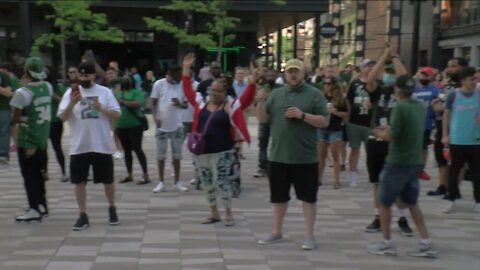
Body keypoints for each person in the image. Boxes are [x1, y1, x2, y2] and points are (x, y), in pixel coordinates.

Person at [256, 59, 329, 251]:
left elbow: (324, 121)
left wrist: (303, 115)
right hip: (278, 156)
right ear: (285, 75)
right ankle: (276, 232)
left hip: (305, 157)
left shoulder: (314, 94)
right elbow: (263, 119)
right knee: (278, 198)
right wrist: (260, 101)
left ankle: (309, 236)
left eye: (296, 71)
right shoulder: (277, 94)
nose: (293, 75)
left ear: (303, 74)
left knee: (308, 198)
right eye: (290, 72)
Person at [366, 74, 438, 258]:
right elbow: (407, 129)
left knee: (384, 202)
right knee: (412, 203)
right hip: (414, 161)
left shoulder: (400, 107)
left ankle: (387, 242)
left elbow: (393, 136)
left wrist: (378, 133)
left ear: (397, 89)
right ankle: (425, 241)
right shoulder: (419, 107)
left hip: (397, 161)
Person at [182, 53, 257, 226]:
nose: (214, 94)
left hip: (223, 150)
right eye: (211, 90)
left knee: (221, 181)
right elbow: (187, 90)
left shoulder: (232, 105)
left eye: (217, 91)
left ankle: (228, 213)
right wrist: (186, 68)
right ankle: (213, 212)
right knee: (207, 182)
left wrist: (252, 80)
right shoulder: (201, 102)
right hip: (202, 150)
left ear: (225, 92)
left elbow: (247, 97)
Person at [58, 61, 120, 231]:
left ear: (94, 75)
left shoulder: (105, 92)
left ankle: (112, 208)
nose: (84, 78)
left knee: (108, 180)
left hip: (101, 144)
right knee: (78, 182)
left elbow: (116, 114)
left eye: (87, 75)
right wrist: (72, 103)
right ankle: (82, 214)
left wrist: (101, 109)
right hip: (79, 145)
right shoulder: (71, 93)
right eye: (81, 75)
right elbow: (62, 117)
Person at [364, 41, 414, 236]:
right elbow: (369, 79)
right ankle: (378, 216)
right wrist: (384, 56)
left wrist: (395, 56)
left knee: (398, 182)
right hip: (376, 140)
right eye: (387, 72)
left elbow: (406, 78)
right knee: (377, 182)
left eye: (391, 72)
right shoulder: (378, 92)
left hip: (395, 142)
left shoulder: (402, 94)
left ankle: (402, 217)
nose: (389, 75)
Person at [10, 56, 52, 222]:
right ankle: (42, 205)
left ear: (26, 71)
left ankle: (34, 208)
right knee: (39, 174)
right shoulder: (47, 87)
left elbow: (15, 118)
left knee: (29, 176)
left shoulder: (23, 92)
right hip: (42, 139)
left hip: (27, 139)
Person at [441, 67, 480, 214]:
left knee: (477, 173)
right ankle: (451, 199)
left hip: (476, 141)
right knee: (454, 172)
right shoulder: (453, 95)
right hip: (457, 140)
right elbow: (446, 115)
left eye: (476, 79)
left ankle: (478, 201)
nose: (475, 81)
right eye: (472, 79)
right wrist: (445, 135)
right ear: (463, 80)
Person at [429, 57, 469, 197]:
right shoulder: (447, 85)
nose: (450, 69)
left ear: (463, 68)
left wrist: (442, 107)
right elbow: (441, 100)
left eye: (454, 66)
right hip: (442, 125)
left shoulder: (466, 86)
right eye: (448, 66)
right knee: (441, 157)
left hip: (457, 127)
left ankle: (454, 189)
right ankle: (442, 186)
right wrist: (436, 103)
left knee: (457, 160)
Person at [150, 65, 189, 193]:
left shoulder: (182, 85)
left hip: (177, 125)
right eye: (176, 75)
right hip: (162, 126)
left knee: (177, 156)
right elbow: (153, 102)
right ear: (170, 73)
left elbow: (185, 105)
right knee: (160, 156)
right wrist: (155, 117)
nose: (178, 78)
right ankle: (161, 183)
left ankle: (177, 182)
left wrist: (179, 104)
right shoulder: (159, 84)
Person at [346, 59, 377, 187]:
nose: (369, 69)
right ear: (362, 69)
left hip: (370, 123)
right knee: (354, 149)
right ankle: (353, 175)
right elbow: (348, 100)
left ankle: (373, 174)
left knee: (372, 150)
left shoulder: (376, 85)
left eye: (372, 67)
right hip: (354, 122)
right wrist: (348, 116)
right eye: (367, 66)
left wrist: (373, 106)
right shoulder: (355, 84)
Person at [115, 76, 150, 185]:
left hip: (135, 125)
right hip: (120, 126)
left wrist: (123, 102)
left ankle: (145, 174)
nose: (125, 81)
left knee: (137, 149)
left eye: (128, 79)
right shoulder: (118, 93)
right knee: (126, 151)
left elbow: (138, 104)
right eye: (124, 79)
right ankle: (129, 174)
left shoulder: (136, 92)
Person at [317, 76, 348, 188]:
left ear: (334, 85)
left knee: (335, 155)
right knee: (321, 155)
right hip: (322, 128)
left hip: (335, 129)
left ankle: (336, 181)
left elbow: (346, 115)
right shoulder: (321, 97)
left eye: (329, 83)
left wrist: (335, 112)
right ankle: (318, 179)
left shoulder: (340, 99)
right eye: (324, 83)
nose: (326, 85)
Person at [253, 69, 282, 178]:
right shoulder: (261, 89)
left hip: (277, 122)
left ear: (276, 77)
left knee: (277, 145)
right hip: (264, 122)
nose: (270, 77)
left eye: (272, 75)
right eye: (268, 76)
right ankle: (262, 167)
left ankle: (276, 167)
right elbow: (256, 104)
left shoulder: (281, 89)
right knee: (262, 144)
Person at [412, 66, 439, 181]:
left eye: (426, 74)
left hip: (426, 123)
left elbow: (437, 105)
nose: (424, 76)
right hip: (412, 123)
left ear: (431, 76)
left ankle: (421, 170)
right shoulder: (413, 87)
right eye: (422, 74)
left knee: (423, 148)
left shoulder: (435, 89)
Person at [53, 66, 79, 182]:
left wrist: (53, 95)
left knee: (58, 146)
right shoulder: (68, 87)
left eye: (74, 72)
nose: (72, 74)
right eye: (70, 72)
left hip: (57, 121)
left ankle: (64, 171)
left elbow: (62, 100)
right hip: (49, 120)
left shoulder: (60, 87)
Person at [105, 67, 124, 160]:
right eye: (108, 74)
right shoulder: (108, 86)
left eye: (111, 73)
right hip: (110, 111)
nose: (110, 75)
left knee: (118, 131)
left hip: (119, 111)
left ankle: (121, 150)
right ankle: (119, 150)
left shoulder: (119, 84)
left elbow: (116, 96)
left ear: (115, 73)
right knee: (114, 131)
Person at [0, 64, 13, 164]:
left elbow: (8, 92)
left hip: (3, 108)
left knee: (4, 131)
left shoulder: (3, 75)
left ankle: (3, 154)